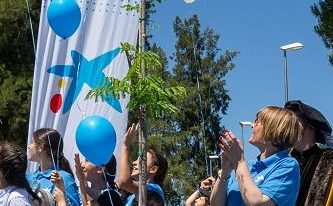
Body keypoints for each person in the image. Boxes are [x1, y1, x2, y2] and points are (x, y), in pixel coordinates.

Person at [210, 106, 302, 206]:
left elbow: (256, 203)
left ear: (273, 129)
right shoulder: (247, 166)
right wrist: (225, 172)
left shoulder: (287, 165)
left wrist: (239, 161)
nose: (252, 125)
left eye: (257, 121)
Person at [285, 100, 333, 205]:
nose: (287, 125)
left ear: (309, 126)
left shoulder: (329, 161)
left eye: (293, 120)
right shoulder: (283, 159)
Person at [117, 123, 168, 206]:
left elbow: (124, 182)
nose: (134, 163)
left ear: (153, 169)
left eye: (141, 159)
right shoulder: (132, 196)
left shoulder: (155, 190)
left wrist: (125, 146)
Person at [27, 128, 81, 206]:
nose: (29, 146)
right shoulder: (29, 177)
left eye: (32, 142)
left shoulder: (64, 177)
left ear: (40, 147)